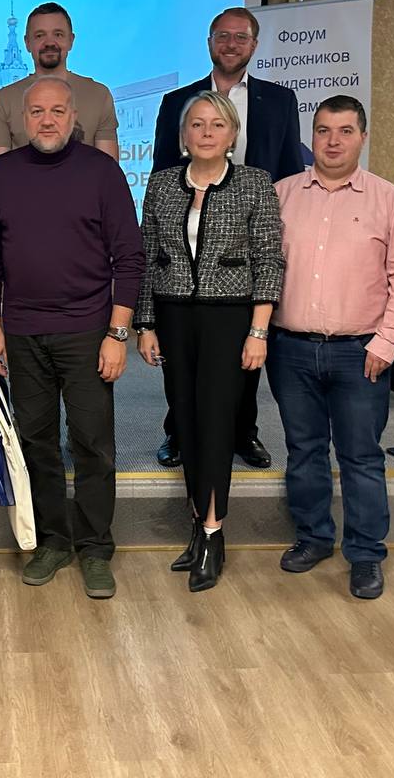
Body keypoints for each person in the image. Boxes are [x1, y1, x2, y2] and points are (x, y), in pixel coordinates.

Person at [0, 77, 144, 599]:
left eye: (57, 111)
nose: (47, 120)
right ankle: (52, 541)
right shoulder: (1, 175)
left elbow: (129, 257)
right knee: (37, 442)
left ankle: (95, 547)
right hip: (23, 332)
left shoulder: (102, 172)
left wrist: (117, 333)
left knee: (92, 443)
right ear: (21, 119)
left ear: (74, 117)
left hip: (88, 331)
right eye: (36, 112)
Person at [266, 96, 394, 600]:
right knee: (303, 451)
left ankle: (366, 553)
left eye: (346, 131)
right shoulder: (282, 195)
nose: (333, 142)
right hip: (290, 350)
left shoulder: (389, 201)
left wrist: (388, 341)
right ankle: (313, 537)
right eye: (324, 130)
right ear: (311, 136)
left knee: (361, 457)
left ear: (362, 137)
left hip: (361, 353)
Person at [134, 92, 284, 592]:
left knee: (218, 424)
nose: (205, 132)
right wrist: (146, 324)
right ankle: (199, 526)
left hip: (230, 320)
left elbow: (269, 260)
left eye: (216, 124)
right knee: (187, 422)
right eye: (196, 124)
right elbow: (147, 257)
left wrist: (258, 330)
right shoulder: (161, 184)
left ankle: (214, 534)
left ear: (232, 134)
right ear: (183, 134)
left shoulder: (255, 184)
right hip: (174, 317)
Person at [150, 7, 307, 470]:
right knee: (180, 359)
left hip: (247, 242)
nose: (231, 44)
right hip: (188, 242)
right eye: (223, 36)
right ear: (209, 42)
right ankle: (178, 432)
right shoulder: (177, 100)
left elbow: (289, 172)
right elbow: (163, 169)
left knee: (243, 358)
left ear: (254, 45)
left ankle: (244, 433)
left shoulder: (279, 100)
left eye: (241, 37)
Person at [0, 2, 118, 161]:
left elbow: (108, 169)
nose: (49, 43)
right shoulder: (4, 99)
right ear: (27, 43)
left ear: (71, 40)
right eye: (40, 35)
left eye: (58, 34)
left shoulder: (98, 95)